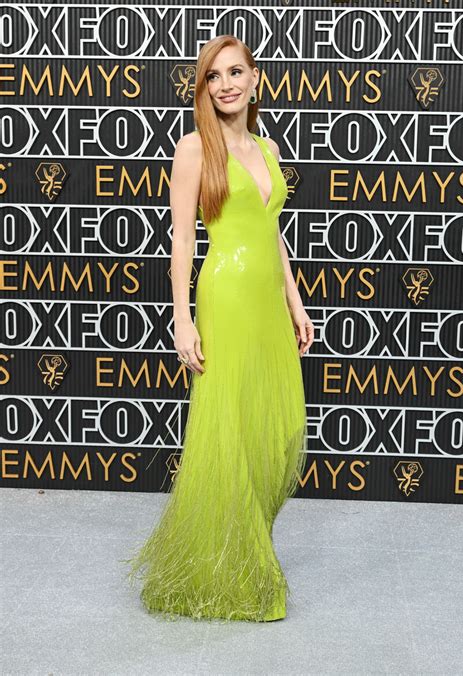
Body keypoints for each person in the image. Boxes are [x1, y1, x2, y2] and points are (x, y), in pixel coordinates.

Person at [124, 34, 314, 623]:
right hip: (225, 299)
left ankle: (244, 544)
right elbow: (182, 238)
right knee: (226, 431)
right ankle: (242, 573)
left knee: (274, 431)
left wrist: (296, 301)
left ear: (255, 79)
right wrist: (181, 318)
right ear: (204, 88)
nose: (227, 83)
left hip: (267, 305)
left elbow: (271, 231)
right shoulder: (192, 150)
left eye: (237, 71)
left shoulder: (269, 147)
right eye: (214, 75)